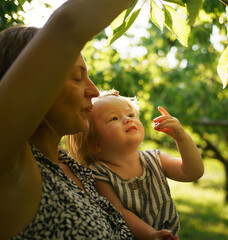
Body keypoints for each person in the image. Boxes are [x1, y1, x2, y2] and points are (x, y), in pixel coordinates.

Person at [0, 0, 141, 239]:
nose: (95, 91)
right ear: (35, 88)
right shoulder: (12, 168)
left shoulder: (73, 167)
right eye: (77, 78)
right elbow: (67, 25)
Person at [67, 90, 204, 240]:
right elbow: (118, 212)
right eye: (114, 118)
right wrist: (150, 235)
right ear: (94, 143)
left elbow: (192, 172)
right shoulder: (99, 173)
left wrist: (182, 138)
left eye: (130, 115)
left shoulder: (155, 159)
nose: (127, 120)